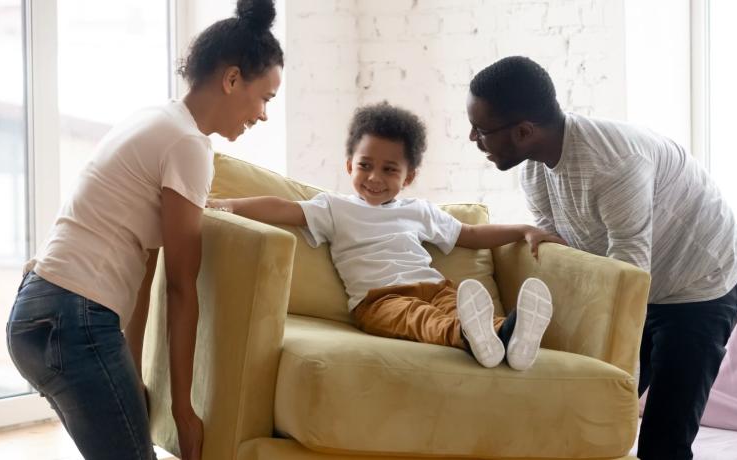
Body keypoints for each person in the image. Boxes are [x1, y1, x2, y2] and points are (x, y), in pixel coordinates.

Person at [5, 1, 283, 459]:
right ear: (231, 79)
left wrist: (131, 372)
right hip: (75, 319)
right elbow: (180, 287)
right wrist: (184, 412)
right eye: (265, 97)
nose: (264, 114)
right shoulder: (188, 145)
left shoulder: (156, 118)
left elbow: (146, 264)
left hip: (35, 312)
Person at [465, 55, 737, 460]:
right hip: (641, 279)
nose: (472, 139)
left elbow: (628, 279)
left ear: (524, 131)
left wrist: (605, 364)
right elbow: (563, 256)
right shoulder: (533, 168)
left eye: (480, 130)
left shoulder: (614, 165)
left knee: (662, 442)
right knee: (584, 414)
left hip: (701, 286)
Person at [208, 102, 562, 370]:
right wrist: (227, 206)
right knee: (419, 319)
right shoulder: (334, 208)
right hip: (377, 300)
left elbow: (468, 234)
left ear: (407, 178)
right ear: (350, 166)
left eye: (389, 170)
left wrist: (523, 228)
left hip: (435, 287)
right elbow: (280, 208)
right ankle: (471, 337)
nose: (374, 177)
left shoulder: (418, 211)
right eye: (365, 166)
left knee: (453, 305)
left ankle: (510, 336)